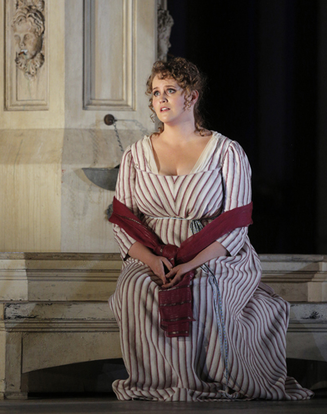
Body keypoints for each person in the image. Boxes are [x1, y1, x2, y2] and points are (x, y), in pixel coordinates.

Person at [108, 57, 313, 401]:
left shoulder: (226, 152)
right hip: (153, 253)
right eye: (156, 92)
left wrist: (189, 264)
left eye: (170, 90)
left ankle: (208, 380)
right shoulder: (134, 155)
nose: (161, 99)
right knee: (134, 289)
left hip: (214, 254)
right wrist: (152, 261)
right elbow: (124, 222)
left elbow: (235, 225)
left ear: (192, 96)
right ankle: (157, 382)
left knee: (203, 288)